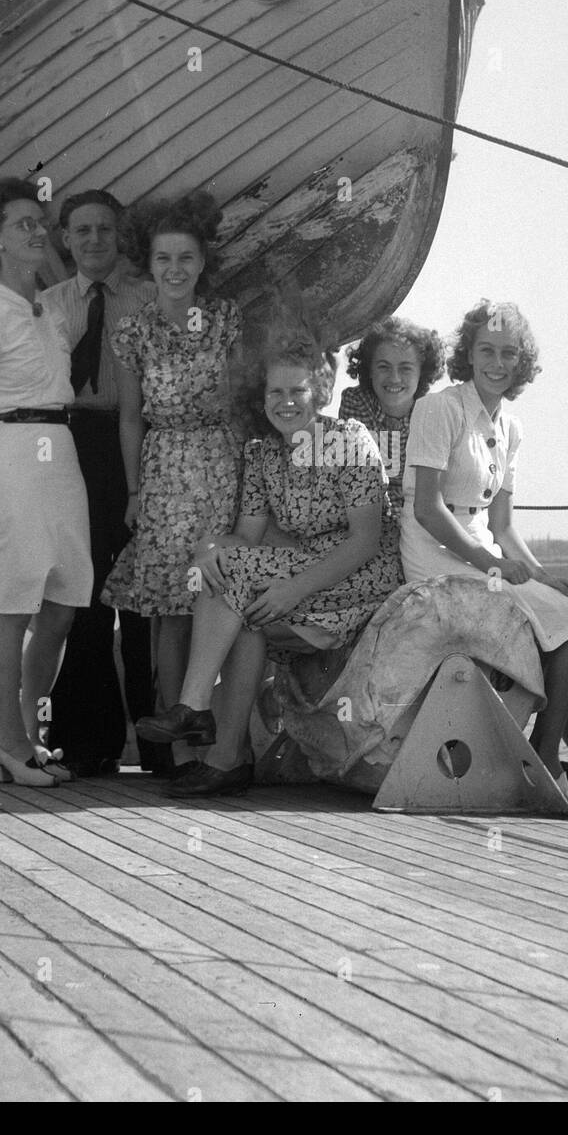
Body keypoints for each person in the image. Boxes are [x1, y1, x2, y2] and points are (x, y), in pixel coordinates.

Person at [136, 335, 402, 797]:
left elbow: (365, 539)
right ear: (262, 400)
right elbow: (247, 538)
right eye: (275, 392)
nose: (286, 402)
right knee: (229, 585)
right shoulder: (262, 455)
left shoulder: (348, 440)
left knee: (239, 585)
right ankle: (222, 753)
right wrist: (208, 547)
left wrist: (293, 589)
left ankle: (200, 718)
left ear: (318, 392)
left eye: (296, 390)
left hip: (361, 574)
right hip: (306, 572)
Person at [400, 300, 568, 803]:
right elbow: (428, 511)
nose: (498, 364)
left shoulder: (510, 427)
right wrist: (494, 565)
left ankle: (540, 756)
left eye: (509, 355)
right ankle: (543, 764)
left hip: (483, 548)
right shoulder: (440, 408)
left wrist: (543, 575)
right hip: (437, 551)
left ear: (521, 364)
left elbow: (502, 524)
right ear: (469, 355)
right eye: (487, 352)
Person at [0, 177, 92, 787]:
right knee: (11, 605)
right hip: (7, 451)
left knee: (62, 602)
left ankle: (28, 732)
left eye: (41, 222)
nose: (38, 231)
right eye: (24, 223)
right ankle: (9, 743)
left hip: (60, 453)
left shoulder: (52, 308)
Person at [101, 191, 243, 776]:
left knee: (216, 595)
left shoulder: (227, 318)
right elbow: (130, 416)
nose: (175, 270)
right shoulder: (134, 331)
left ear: (203, 261)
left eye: (186, 258)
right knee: (169, 608)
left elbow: (238, 403)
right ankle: (177, 750)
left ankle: (225, 742)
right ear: (149, 264)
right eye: (164, 260)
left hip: (219, 463)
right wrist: (135, 492)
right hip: (162, 469)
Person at [39, 189, 157, 775]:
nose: (92, 241)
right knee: (84, 593)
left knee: (141, 594)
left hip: (136, 444)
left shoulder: (150, 298)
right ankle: (87, 742)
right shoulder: (47, 306)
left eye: (104, 230)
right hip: (71, 444)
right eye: (81, 231)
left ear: (120, 234)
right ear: (65, 238)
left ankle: (159, 742)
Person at [338, 315, 445, 515]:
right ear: (369, 369)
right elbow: (362, 479)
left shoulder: (434, 414)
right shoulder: (356, 401)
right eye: (384, 367)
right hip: (368, 515)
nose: (394, 378)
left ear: (422, 372)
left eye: (405, 368)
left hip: (417, 520)